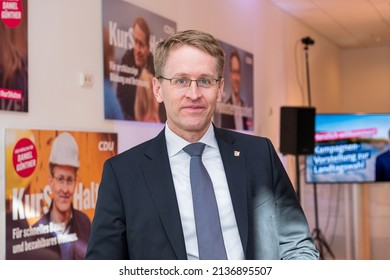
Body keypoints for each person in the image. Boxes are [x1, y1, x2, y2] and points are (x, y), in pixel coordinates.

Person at [86, 30, 319, 260]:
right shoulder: (123, 174)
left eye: (205, 81)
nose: (194, 94)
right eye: (181, 81)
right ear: (158, 89)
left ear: (219, 89)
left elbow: (297, 246)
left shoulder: (260, 155)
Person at [32, 132, 91, 259]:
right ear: (51, 181)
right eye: (60, 179)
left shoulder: (85, 224)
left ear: (76, 182)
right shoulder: (35, 233)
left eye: (69, 180)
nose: (65, 189)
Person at [116, 16, 164, 122]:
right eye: (135, 42)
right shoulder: (127, 60)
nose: (137, 49)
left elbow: (162, 103)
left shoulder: (155, 64)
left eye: (141, 44)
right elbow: (120, 104)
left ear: (148, 47)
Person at [220, 49, 249, 130]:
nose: (236, 78)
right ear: (230, 75)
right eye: (234, 72)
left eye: (238, 72)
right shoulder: (225, 108)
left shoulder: (245, 106)